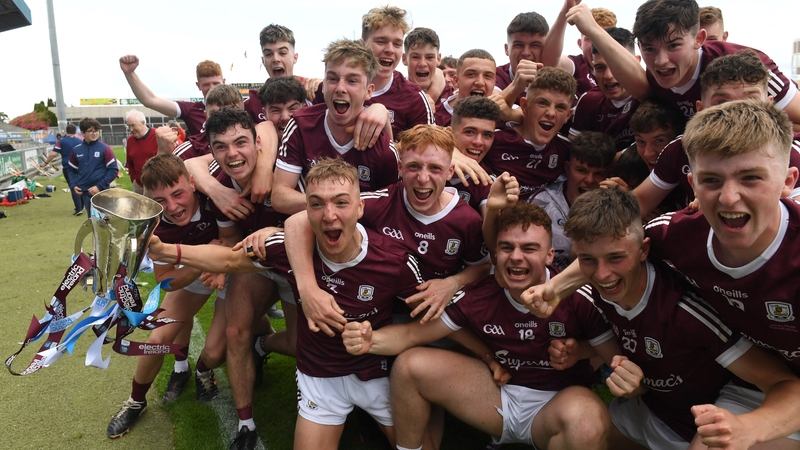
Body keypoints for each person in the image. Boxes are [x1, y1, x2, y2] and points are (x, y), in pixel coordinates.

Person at [525, 100, 800, 448]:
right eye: (712, 180)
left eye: (751, 178)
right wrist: (555, 288)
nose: (730, 198)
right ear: (692, 184)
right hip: (754, 381)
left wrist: (751, 429)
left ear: (788, 180)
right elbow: (616, 248)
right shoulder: (678, 234)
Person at [147, 157, 424, 450]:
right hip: (319, 378)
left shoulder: (395, 261)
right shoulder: (288, 249)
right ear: (306, 210)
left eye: (341, 203)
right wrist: (167, 249)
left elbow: (429, 321)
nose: (329, 215)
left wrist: (377, 338)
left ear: (360, 207)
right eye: (316, 204)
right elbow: (229, 259)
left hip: (375, 374)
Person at [342, 202, 621, 450]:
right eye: (506, 247)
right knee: (410, 365)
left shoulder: (578, 297)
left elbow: (614, 358)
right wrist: (371, 340)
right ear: (495, 254)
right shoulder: (479, 294)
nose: (516, 257)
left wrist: (580, 351)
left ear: (549, 255)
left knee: (588, 424)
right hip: (497, 397)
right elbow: (412, 333)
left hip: (558, 403)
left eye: (529, 248)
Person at [560, 187, 800, 449]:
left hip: (701, 423)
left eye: (616, 257)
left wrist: (747, 427)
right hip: (649, 411)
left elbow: (783, 383)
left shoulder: (687, 311)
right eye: (588, 260)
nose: (602, 274)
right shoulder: (595, 292)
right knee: (579, 433)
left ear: (643, 250)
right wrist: (580, 352)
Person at [106, 154, 232, 438]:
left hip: (234, 271)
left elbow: (234, 239)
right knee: (157, 338)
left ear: (193, 182)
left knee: (218, 348)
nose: (172, 207)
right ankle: (136, 401)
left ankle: (205, 369)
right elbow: (166, 280)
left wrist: (219, 261)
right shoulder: (155, 225)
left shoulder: (216, 198)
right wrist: (202, 259)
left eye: (178, 194)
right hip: (195, 272)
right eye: (161, 201)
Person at [563, 0, 800, 123]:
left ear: (699, 39)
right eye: (649, 48)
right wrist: (593, 30)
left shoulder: (750, 67)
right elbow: (640, 84)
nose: (661, 61)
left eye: (673, 45)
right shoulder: (655, 80)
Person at [630, 50, 800, 218]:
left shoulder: (793, 154)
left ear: (769, 105)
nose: (737, 111)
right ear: (700, 109)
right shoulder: (679, 149)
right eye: (722, 103)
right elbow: (639, 205)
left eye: (750, 101)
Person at [272, 38, 399, 216]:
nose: (340, 88)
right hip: (309, 227)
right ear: (323, 86)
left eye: (352, 81)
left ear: (369, 91)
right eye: (332, 78)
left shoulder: (382, 146)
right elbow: (279, 196)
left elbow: (391, 206)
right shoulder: (301, 124)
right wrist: (332, 204)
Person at [481, 67, 575, 199]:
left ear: (568, 115)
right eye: (543, 103)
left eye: (560, 107)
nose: (551, 113)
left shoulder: (567, 150)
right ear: (524, 106)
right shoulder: (494, 139)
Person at [528, 131, 616, 270]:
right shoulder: (541, 204)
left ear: (609, 175)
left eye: (599, 173)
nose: (589, 180)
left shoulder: (615, 205)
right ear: (568, 168)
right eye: (581, 170)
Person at [568, 27, 640, 151]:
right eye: (600, 67)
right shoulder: (589, 100)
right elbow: (573, 150)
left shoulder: (652, 95)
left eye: (616, 64)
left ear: (636, 61)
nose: (608, 76)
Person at [119, 56, 224, 136]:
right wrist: (129, 73)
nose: (212, 88)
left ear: (223, 82)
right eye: (206, 84)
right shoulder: (191, 109)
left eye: (216, 83)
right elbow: (150, 100)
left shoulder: (239, 105)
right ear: (198, 86)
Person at [541, 1, 618, 98]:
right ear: (580, 44)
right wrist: (565, 11)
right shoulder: (577, 64)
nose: (596, 45)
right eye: (589, 38)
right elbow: (549, 64)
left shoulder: (622, 66)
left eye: (602, 37)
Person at [446, 96, 502, 216]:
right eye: (470, 132)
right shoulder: (425, 164)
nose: (478, 142)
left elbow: (490, 234)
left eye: (487, 135)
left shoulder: (486, 181)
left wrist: (494, 210)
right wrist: (447, 151)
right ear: (449, 134)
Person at [66, 118, 117, 218]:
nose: (94, 134)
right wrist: (73, 185)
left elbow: (113, 170)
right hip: (86, 193)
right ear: (83, 133)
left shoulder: (105, 148)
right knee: (92, 221)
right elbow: (71, 170)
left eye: (96, 131)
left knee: (105, 222)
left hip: (102, 192)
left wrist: (99, 186)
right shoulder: (76, 150)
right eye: (90, 131)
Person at [434, 49, 498, 127]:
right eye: (471, 74)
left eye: (487, 76)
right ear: (456, 80)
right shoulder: (434, 118)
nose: (480, 82)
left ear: (494, 82)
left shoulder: (502, 118)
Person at [43, 123, 83, 215]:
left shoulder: (61, 141)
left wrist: (46, 162)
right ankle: (83, 204)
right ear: (75, 132)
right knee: (81, 185)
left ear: (66, 131)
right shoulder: (80, 141)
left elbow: (53, 154)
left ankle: (79, 208)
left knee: (73, 186)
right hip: (80, 166)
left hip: (68, 167)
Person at [402, 27, 449, 105]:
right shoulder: (394, 92)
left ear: (438, 59)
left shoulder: (449, 95)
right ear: (404, 59)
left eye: (429, 57)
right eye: (415, 57)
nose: (423, 64)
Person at [124, 110, 158, 195]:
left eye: (133, 125)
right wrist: (134, 180)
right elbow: (130, 163)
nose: (130, 129)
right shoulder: (130, 140)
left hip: (158, 185)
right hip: (139, 186)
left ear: (143, 122)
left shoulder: (158, 135)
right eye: (128, 126)